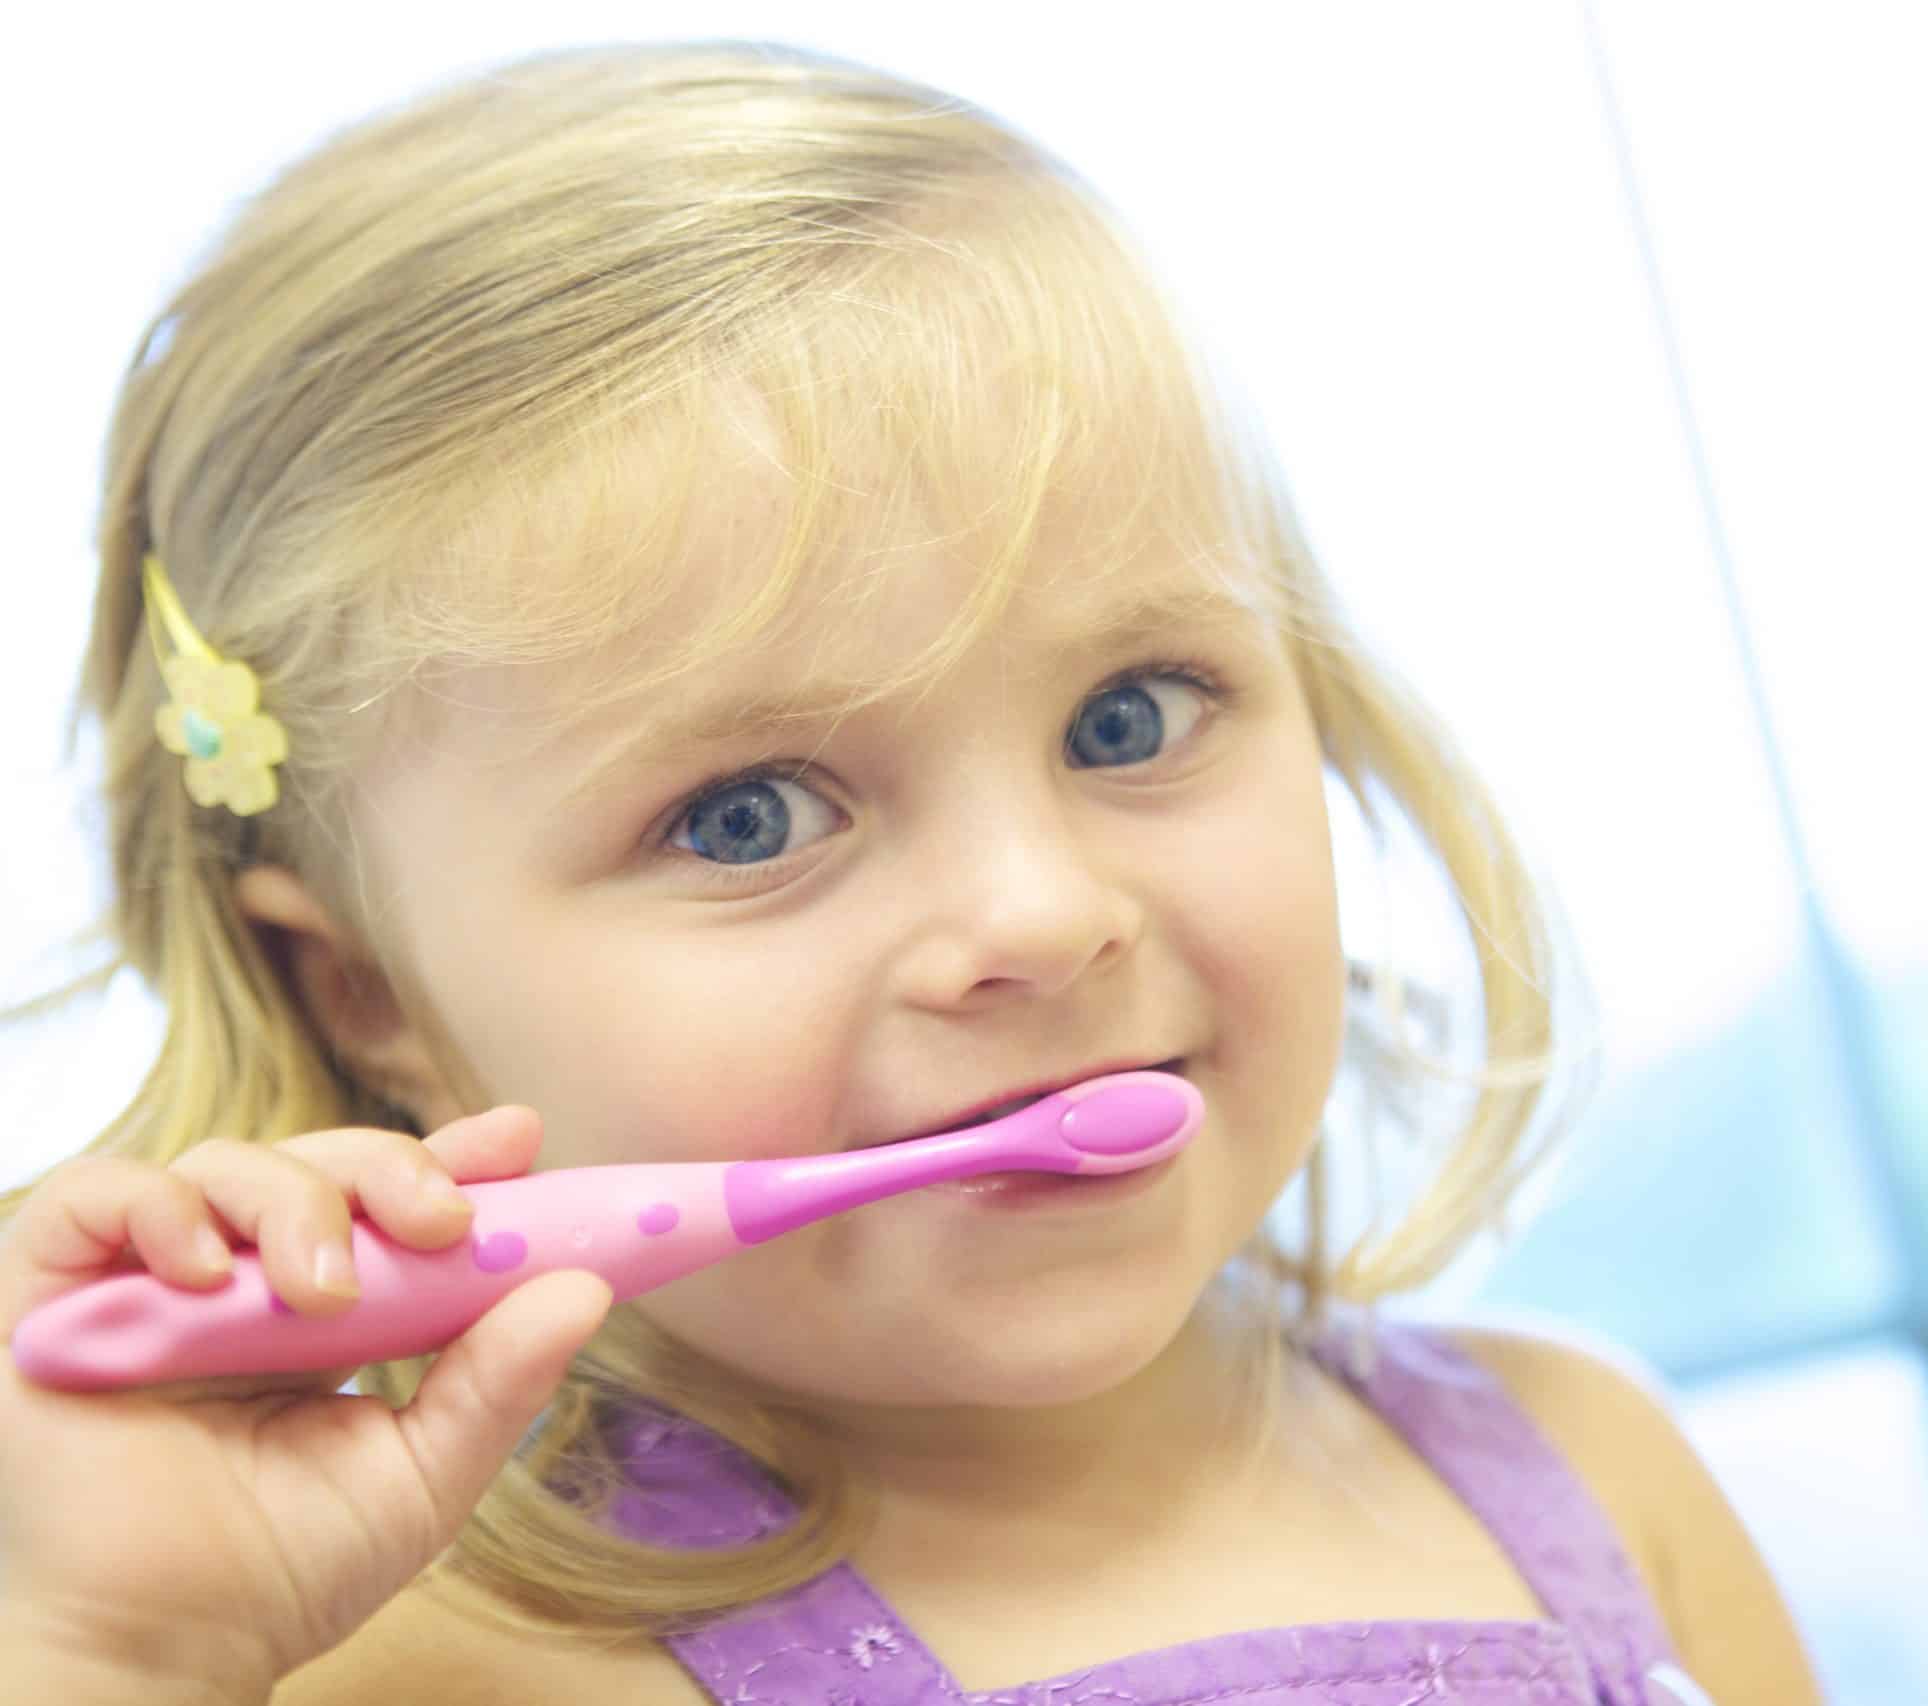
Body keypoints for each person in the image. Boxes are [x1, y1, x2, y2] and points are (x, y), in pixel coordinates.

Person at [0, 41, 1820, 1706]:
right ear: (373, 997)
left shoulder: (1594, 1472)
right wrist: (108, 1655)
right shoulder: (419, 1669)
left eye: (1127, 716)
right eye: (748, 819)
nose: (1041, 912)